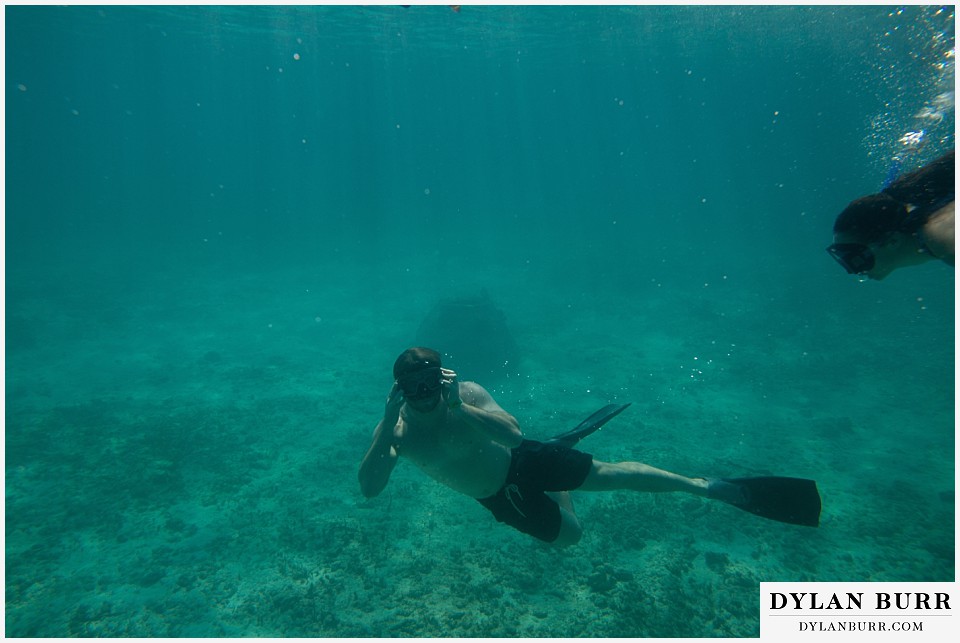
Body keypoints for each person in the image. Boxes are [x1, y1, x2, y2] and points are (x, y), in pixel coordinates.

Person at [359, 347, 821, 546]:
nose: (422, 393)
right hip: (498, 497)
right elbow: (370, 487)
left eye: (429, 382)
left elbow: (515, 436)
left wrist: (459, 406)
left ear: (442, 378)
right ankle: (563, 488)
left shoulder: (468, 395)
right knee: (570, 538)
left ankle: (705, 486)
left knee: (608, 473)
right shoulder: (396, 433)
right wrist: (384, 422)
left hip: (522, 457)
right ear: (398, 389)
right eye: (410, 385)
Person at [827, 150, 954, 280]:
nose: (852, 270)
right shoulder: (899, 202)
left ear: (893, 241)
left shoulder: (944, 241)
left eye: (856, 259)